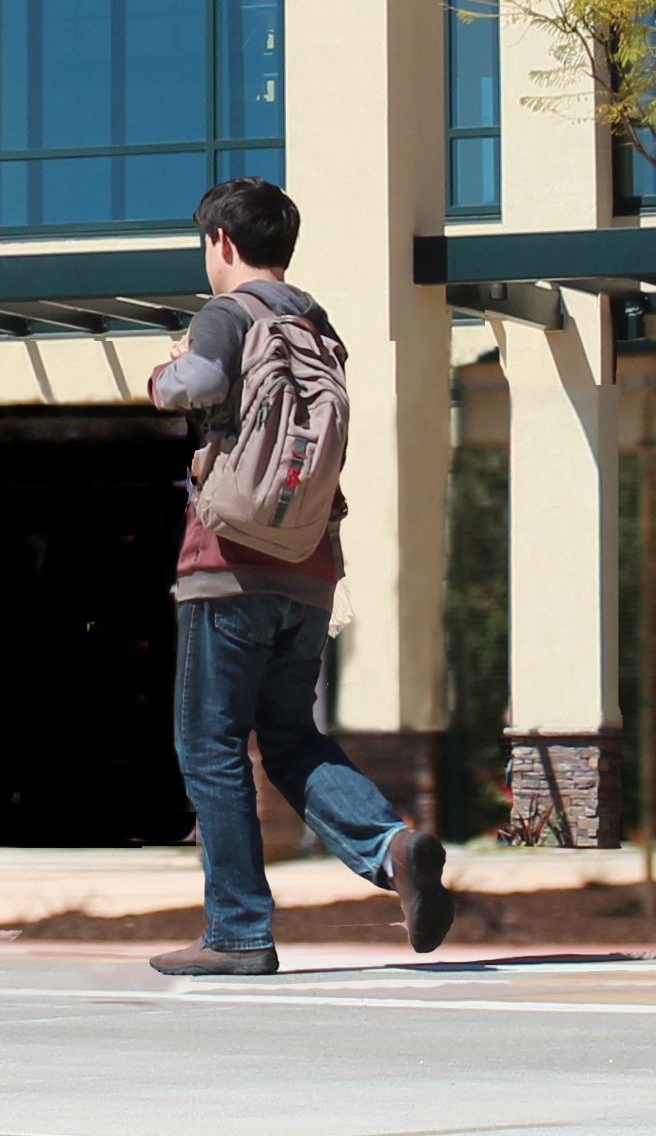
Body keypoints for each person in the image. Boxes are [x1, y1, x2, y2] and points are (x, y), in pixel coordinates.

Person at [145, 175, 450, 976]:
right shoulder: (314, 321)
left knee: (209, 745)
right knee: (289, 735)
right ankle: (391, 846)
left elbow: (199, 385)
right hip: (310, 566)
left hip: (229, 567)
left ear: (221, 243)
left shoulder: (227, 314)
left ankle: (237, 932)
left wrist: (164, 374)